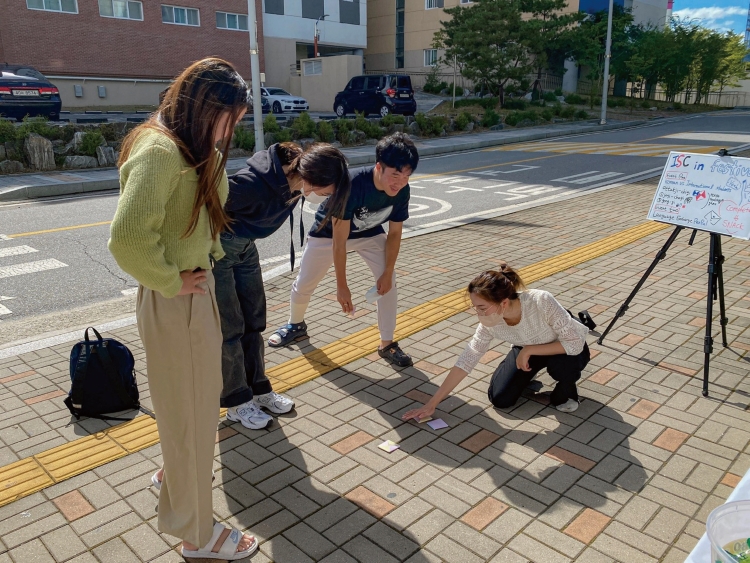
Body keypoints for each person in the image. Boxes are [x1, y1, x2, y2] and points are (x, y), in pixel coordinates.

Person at [108, 58, 256, 560]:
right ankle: (198, 536)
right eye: (229, 118)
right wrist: (173, 281)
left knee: (190, 408)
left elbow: (199, 218)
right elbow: (128, 241)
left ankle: (174, 476)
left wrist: (201, 268)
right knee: (192, 416)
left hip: (192, 294)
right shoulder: (160, 151)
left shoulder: (191, 148)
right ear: (204, 107)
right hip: (178, 300)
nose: (232, 129)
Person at [214, 142, 351, 430]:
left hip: (245, 248)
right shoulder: (250, 184)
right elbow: (205, 209)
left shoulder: (295, 184)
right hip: (219, 251)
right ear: (310, 178)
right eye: (326, 192)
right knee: (230, 328)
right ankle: (237, 402)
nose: (326, 198)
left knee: (254, 321)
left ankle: (258, 390)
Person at [268, 133, 419, 368]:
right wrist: (342, 286)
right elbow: (339, 242)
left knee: (389, 283)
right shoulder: (352, 184)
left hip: (369, 232)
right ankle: (295, 324)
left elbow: (396, 233)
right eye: (395, 174)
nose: (399, 181)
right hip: (328, 233)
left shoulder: (402, 190)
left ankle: (386, 343)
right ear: (379, 167)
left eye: (407, 175)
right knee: (305, 282)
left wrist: (388, 271)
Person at [403, 264, 590, 421]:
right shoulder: (490, 321)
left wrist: (530, 350)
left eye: (482, 308)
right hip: (526, 347)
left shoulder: (541, 300)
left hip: (563, 346)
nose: (478, 313)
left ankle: (566, 391)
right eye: (475, 307)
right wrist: (431, 404)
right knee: (500, 398)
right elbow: (468, 358)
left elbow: (574, 344)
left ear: (504, 303)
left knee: (563, 368)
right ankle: (528, 375)